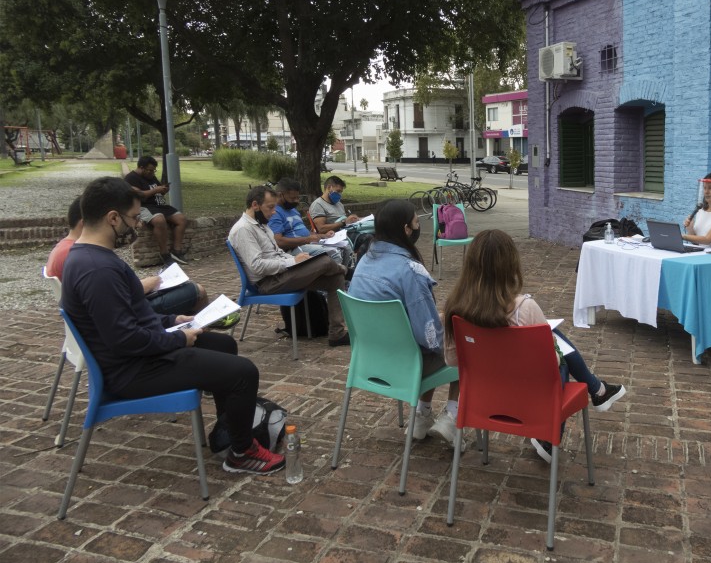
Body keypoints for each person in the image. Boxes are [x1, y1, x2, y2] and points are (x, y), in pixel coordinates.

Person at [61, 177, 284, 475]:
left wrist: (173, 321)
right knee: (244, 373)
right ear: (112, 218)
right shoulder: (97, 269)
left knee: (225, 345)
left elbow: (130, 316)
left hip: (137, 356)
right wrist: (180, 340)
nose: (138, 225)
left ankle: (230, 430)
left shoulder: (92, 258)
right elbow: (125, 339)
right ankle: (243, 453)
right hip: (131, 371)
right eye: (133, 218)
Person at [442, 229, 626, 463]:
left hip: (482, 396)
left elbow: (451, 360)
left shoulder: (455, 306)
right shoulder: (524, 308)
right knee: (558, 352)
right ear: (510, 264)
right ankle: (557, 429)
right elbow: (552, 363)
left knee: (552, 337)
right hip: (530, 401)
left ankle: (595, 391)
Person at [347, 199, 462, 449]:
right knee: (462, 347)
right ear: (406, 229)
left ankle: (422, 415)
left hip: (368, 359)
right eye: (417, 222)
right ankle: (453, 416)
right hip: (407, 365)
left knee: (427, 334)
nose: (419, 226)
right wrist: (453, 334)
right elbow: (430, 339)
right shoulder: (410, 270)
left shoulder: (364, 259)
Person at [47, 196, 222, 320]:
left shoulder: (68, 249)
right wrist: (147, 284)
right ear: (85, 223)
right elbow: (110, 298)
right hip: (125, 312)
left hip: (114, 310)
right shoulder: (81, 256)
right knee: (196, 291)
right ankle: (197, 330)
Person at [228, 185, 350, 347]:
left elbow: (277, 253)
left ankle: (337, 334)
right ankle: (348, 271)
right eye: (270, 207)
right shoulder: (243, 229)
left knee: (335, 279)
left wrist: (298, 259)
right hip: (268, 282)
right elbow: (257, 266)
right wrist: (292, 262)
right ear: (255, 205)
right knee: (325, 261)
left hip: (282, 274)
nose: (273, 212)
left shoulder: (261, 224)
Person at [124, 155, 189, 266]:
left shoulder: (151, 176)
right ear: (141, 167)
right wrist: (155, 190)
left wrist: (163, 190)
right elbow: (139, 195)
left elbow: (158, 189)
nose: (152, 173)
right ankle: (164, 254)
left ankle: (176, 251)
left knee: (181, 219)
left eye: (154, 170)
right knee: (159, 220)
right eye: (150, 170)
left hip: (159, 205)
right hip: (144, 206)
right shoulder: (130, 178)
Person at [267, 177, 343, 264]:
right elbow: (278, 241)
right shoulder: (275, 213)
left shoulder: (293, 210)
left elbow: (303, 232)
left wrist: (323, 235)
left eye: (297, 197)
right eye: (292, 198)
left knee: (344, 248)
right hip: (292, 249)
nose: (297, 201)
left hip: (307, 244)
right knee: (334, 252)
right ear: (280, 195)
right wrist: (307, 239)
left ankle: (345, 273)